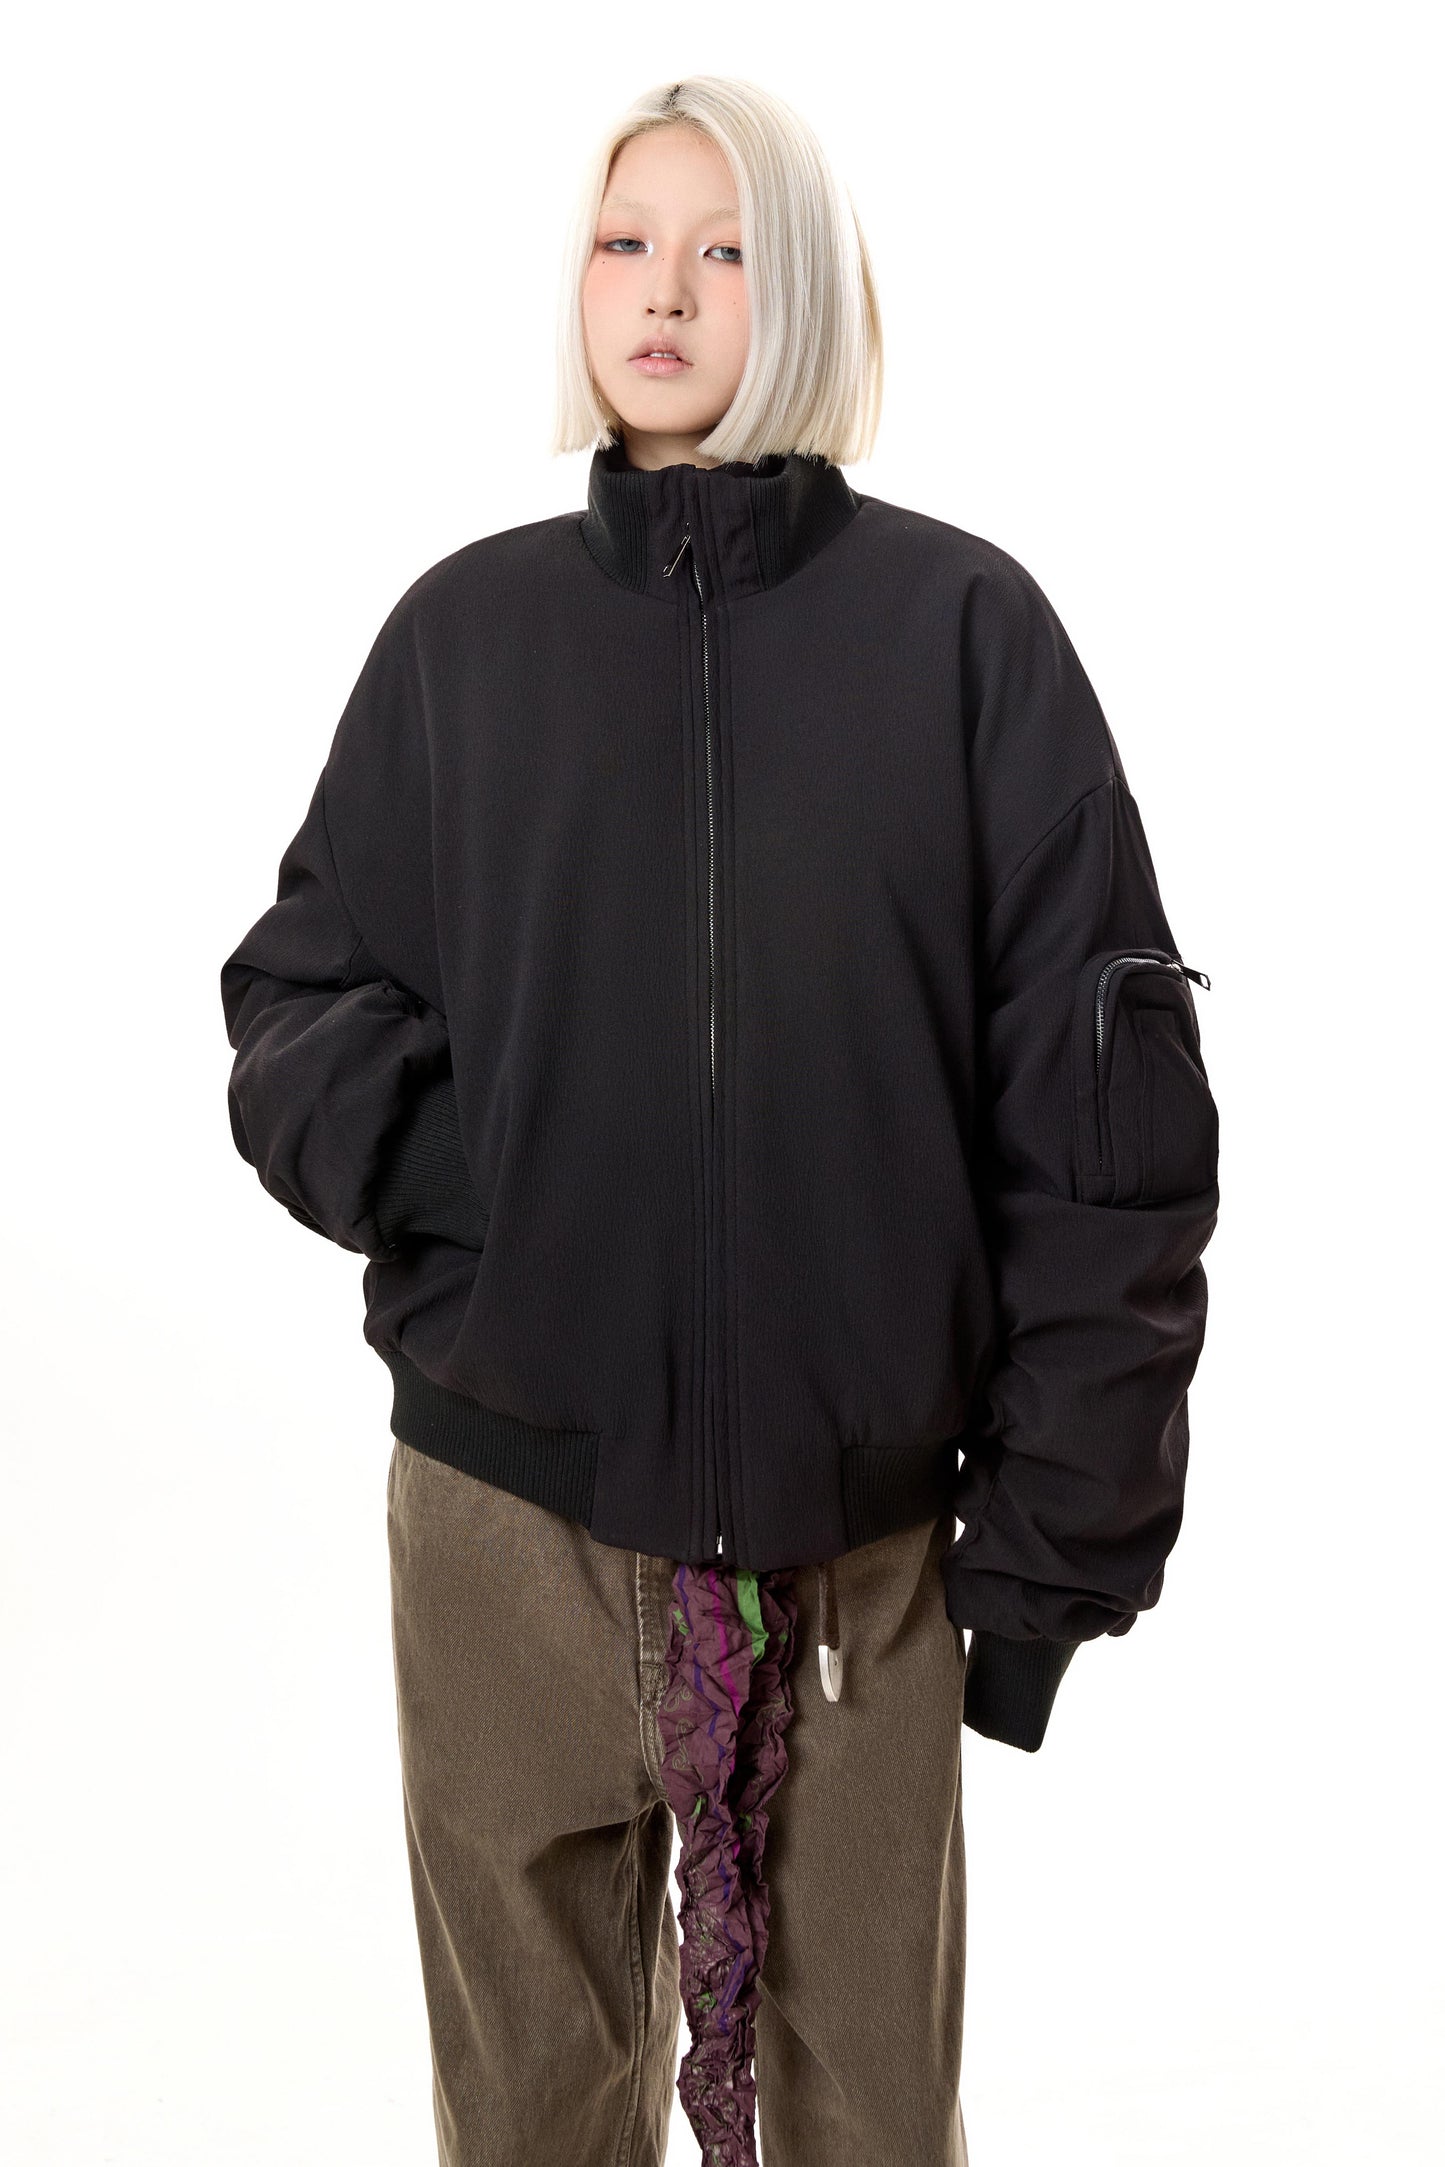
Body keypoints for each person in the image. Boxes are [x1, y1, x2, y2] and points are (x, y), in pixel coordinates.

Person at [219, 72, 1220, 2167]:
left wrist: (1041, 1569)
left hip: (860, 1556)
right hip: (504, 1524)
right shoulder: (463, 638)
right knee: (528, 2121)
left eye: (724, 247)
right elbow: (299, 1001)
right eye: (624, 242)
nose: (663, 292)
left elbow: (1107, 1130)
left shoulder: (966, 637)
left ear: (812, 291)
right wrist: (493, 1187)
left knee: (871, 2125)